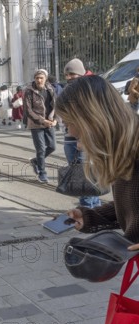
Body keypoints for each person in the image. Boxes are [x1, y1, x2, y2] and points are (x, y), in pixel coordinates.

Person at [60, 75, 139, 248]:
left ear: (93, 120)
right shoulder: (123, 148)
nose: (70, 132)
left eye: (69, 123)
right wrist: (90, 217)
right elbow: (132, 204)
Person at [62, 58, 101, 208]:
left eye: (72, 74)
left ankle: (87, 210)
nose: (69, 77)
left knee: (85, 177)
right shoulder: (72, 88)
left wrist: (83, 138)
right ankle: (94, 208)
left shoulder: (89, 88)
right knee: (80, 175)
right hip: (70, 137)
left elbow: (92, 116)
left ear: (80, 73)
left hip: (85, 139)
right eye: (67, 74)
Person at [25, 69, 57, 183]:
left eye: (41, 78)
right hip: (36, 124)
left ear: (45, 79)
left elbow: (55, 105)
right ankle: (42, 173)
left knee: (52, 146)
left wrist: (55, 119)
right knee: (41, 149)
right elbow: (28, 111)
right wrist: (42, 121)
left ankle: (36, 161)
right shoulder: (29, 91)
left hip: (49, 123)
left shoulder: (50, 89)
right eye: (37, 78)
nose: (39, 80)